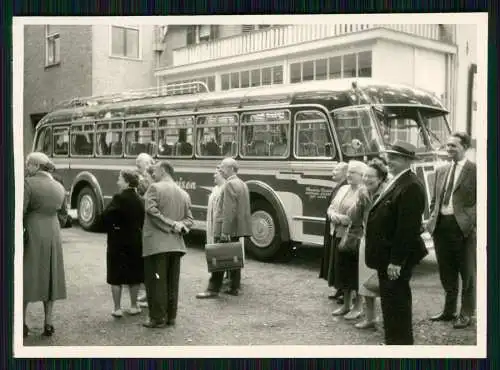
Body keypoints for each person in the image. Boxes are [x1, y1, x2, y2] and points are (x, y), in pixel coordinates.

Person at [365, 141, 428, 345]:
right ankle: (393, 341)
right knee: (391, 302)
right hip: (387, 256)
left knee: (397, 302)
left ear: (408, 160)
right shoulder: (399, 180)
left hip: (394, 258)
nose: (389, 161)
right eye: (389, 156)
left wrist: (396, 261)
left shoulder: (411, 185)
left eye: (395, 158)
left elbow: (407, 229)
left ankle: (399, 345)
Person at [427, 132, 476, 329]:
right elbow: (435, 200)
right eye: (447, 146)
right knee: (446, 271)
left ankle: (466, 313)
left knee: (467, 273)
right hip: (441, 227)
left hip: (463, 228)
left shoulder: (475, 171)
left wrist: (470, 221)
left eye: (453, 146)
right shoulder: (441, 170)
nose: (449, 149)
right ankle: (449, 311)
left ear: (465, 147)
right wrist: (432, 217)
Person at [142, 161, 193, 328]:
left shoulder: (154, 188)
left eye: (154, 170)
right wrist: (179, 226)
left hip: (157, 245)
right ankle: (171, 316)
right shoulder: (183, 193)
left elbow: (152, 212)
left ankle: (157, 318)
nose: (152, 172)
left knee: (156, 282)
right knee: (172, 282)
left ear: (163, 170)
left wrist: (171, 224)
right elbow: (189, 220)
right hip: (176, 245)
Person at [23, 152, 67, 337]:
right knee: (51, 276)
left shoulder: (28, 183)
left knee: (26, 274)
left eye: (28, 164)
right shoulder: (59, 186)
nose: (26, 168)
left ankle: (22, 323)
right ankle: (48, 323)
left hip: (33, 230)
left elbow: (21, 210)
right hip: (53, 231)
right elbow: (64, 215)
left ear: (35, 165)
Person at [196, 157, 252, 298]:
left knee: (219, 256)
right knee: (234, 257)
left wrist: (224, 231)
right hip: (237, 228)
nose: (220, 169)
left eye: (223, 167)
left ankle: (213, 289)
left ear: (231, 169)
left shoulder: (229, 185)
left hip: (227, 228)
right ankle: (234, 287)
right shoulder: (242, 183)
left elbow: (228, 210)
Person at [101, 170, 145, 318]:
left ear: (126, 181)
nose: (118, 182)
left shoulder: (119, 198)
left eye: (120, 179)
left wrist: (112, 226)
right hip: (135, 240)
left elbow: (106, 216)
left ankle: (117, 308)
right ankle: (133, 306)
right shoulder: (140, 199)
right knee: (134, 274)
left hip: (118, 240)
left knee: (116, 275)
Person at [330, 160, 371, 319]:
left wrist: (343, 218)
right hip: (340, 234)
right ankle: (346, 305)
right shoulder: (344, 189)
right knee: (343, 271)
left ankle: (358, 306)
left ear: (362, 175)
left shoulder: (364, 192)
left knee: (355, 273)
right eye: (348, 171)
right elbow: (332, 206)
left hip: (356, 236)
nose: (348, 174)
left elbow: (359, 217)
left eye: (353, 172)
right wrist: (334, 215)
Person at [354, 158, 389, 330]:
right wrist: (359, 199)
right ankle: (370, 318)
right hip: (366, 240)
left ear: (381, 179)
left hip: (383, 244)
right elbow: (355, 217)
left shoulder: (387, 193)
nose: (366, 180)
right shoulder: (363, 193)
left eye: (371, 177)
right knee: (366, 282)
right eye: (365, 176)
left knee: (385, 284)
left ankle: (390, 319)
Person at [319, 161, 348, 302]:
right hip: (333, 226)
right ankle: (339, 289)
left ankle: (343, 291)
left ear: (344, 172)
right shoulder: (339, 187)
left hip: (339, 227)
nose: (333, 172)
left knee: (340, 260)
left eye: (336, 170)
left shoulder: (344, 187)